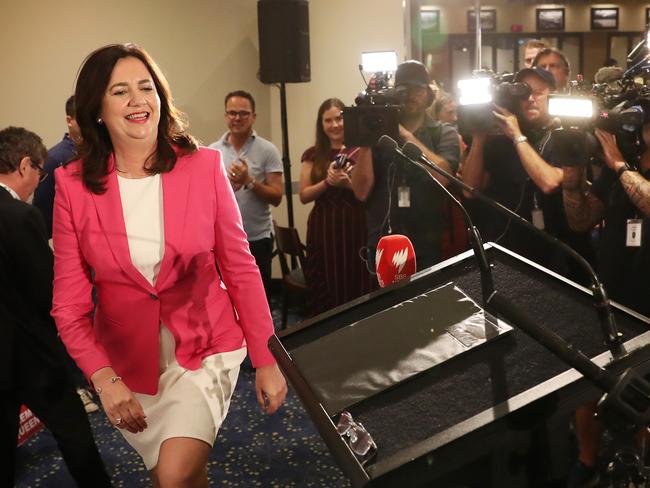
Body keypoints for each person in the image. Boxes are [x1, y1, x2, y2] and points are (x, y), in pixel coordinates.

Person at [51, 43, 287, 486]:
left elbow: (240, 268)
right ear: (98, 110)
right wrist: (104, 378)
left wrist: (268, 357)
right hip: (130, 367)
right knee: (177, 478)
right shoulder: (72, 187)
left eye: (146, 87)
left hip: (205, 348)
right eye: (120, 91)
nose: (138, 99)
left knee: (175, 476)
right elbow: (68, 306)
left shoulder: (203, 167)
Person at [0, 126, 111, 487]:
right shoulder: (22, 217)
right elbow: (49, 292)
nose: (38, 181)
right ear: (24, 165)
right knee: (74, 433)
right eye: (39, 171)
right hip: (33, 356)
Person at [562, 125, 650, 487]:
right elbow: (580, 220)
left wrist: (617, 164)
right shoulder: (621, 169)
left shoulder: (620, 168)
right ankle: (586, 462)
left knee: (645, 396)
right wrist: (572, 174)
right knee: (590, 388)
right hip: (611, 299)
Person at [462, 67, 594, 281]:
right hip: (504, 251)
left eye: (539, 92)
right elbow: (469, 190)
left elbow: (550, 182)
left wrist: (517, 136)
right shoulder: (497, 138)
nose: (530, 99)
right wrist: (479, 136)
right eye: (523, 93)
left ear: (553, 95)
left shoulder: (569, 137)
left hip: (554, 255)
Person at [352, 60, 461, 272]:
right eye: (403, 89)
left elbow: (444, 176)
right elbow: (361, 191)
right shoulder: (378, 134)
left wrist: (402, 133)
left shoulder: (443, 133)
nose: (411, 94)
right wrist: (366, 140)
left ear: (429, 95)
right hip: (384, 243)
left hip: (428, 243)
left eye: (418, 89)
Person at [32, 95, 99, 415]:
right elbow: (43, 215)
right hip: (68, 255)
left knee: (99, 319)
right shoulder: (58, 159)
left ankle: (96, 377)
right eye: (81, 120)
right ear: (69, 121)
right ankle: (77, 383)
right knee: (74, 321)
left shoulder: (99, 153)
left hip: (98, 255)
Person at [299, 98, 371, 316]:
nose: (335, 125)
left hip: (356, 222)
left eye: (339, 118)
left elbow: (367, 193)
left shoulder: (361, 150)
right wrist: (328, 182)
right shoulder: (312, 154)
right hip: (324, 226)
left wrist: (347, 184)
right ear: (321, 125)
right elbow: (304, 195)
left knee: (356, 277)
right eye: (328, 120)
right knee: (327, 279)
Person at [209, 91, 283, 296]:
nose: (237, 118)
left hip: (257, 238)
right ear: (225, 116)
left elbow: (277, 197)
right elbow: (206, 201)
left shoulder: (268, 150)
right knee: (226, 299)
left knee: (259, 298)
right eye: (232, 113)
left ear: (254, 117)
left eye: (243, 113)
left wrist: (249, 182)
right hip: (222, 240)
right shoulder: (212, 152)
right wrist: (229, 187)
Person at [33, 95, 82, 238]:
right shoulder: (55, 159)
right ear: (70, 121)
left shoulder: (103, 152)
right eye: (83, 118)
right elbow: (43, 212)